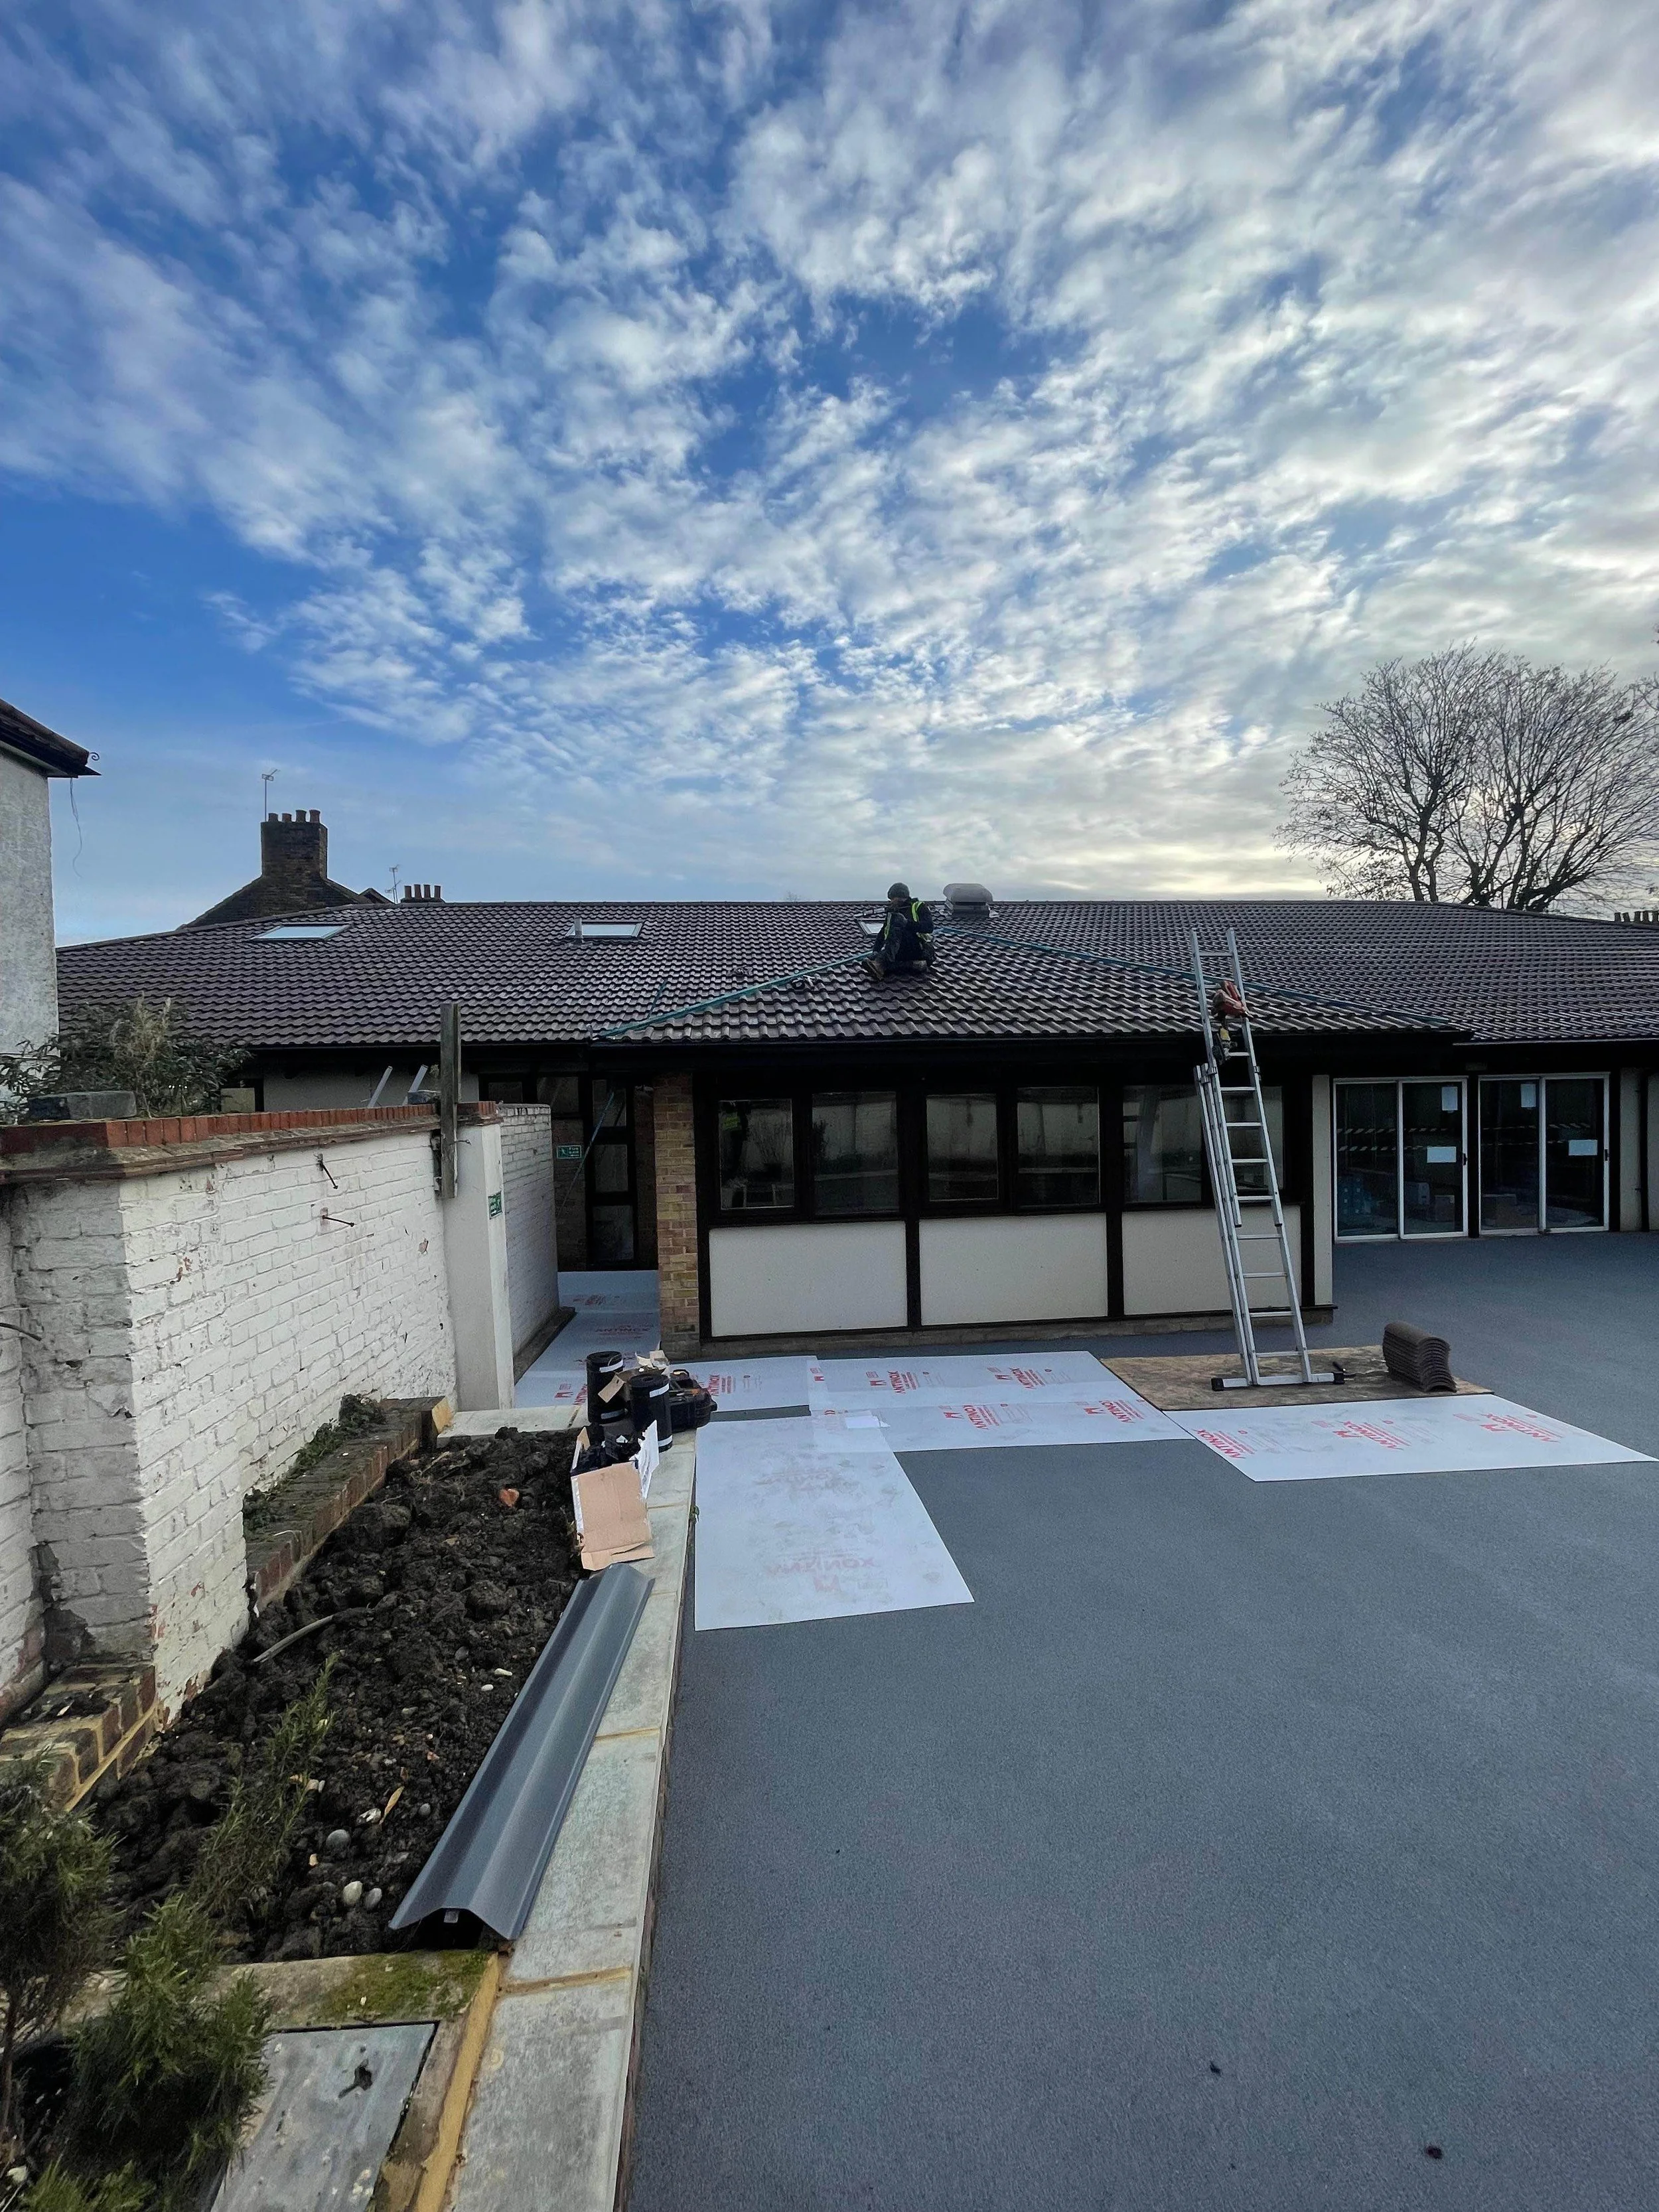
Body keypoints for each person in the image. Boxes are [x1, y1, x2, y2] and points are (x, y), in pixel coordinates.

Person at [863, 882, 936, 980]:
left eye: (893, 899)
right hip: (898, 950)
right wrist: (876, 951)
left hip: (919, 948)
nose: (891, 902)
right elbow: (882, 934)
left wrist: (907, 923)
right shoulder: (893, 912)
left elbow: (929, 927)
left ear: (901, 897)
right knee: (871, 959)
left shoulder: (919, 907)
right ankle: (911, 965)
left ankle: (881, 964)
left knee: (897, 930)